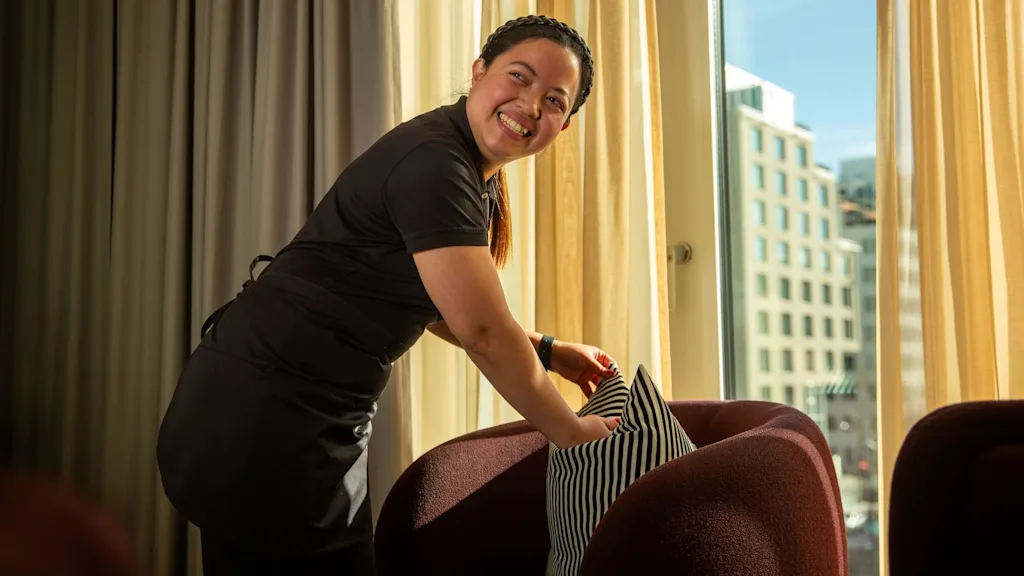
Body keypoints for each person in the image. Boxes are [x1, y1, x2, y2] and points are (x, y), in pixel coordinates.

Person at [157, 15, 617, 575]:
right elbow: (482, 331)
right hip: (264, 412)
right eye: (518, 77)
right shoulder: (436, 163)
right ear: (479, 72)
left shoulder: (469, 170)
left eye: (553, 101)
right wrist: (572, 433)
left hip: (293, 409)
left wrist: (549, 350)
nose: (530, 104)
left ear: (563, 127)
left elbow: (440, 303)